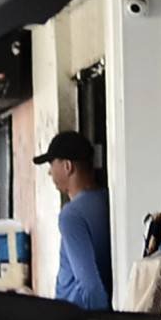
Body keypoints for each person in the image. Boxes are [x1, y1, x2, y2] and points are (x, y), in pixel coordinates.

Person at [37, 129, 113, 310]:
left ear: (67, 166)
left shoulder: (71, 215)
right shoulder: (107, 200)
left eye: (51, 164)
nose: (49, 173)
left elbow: (90, 285)